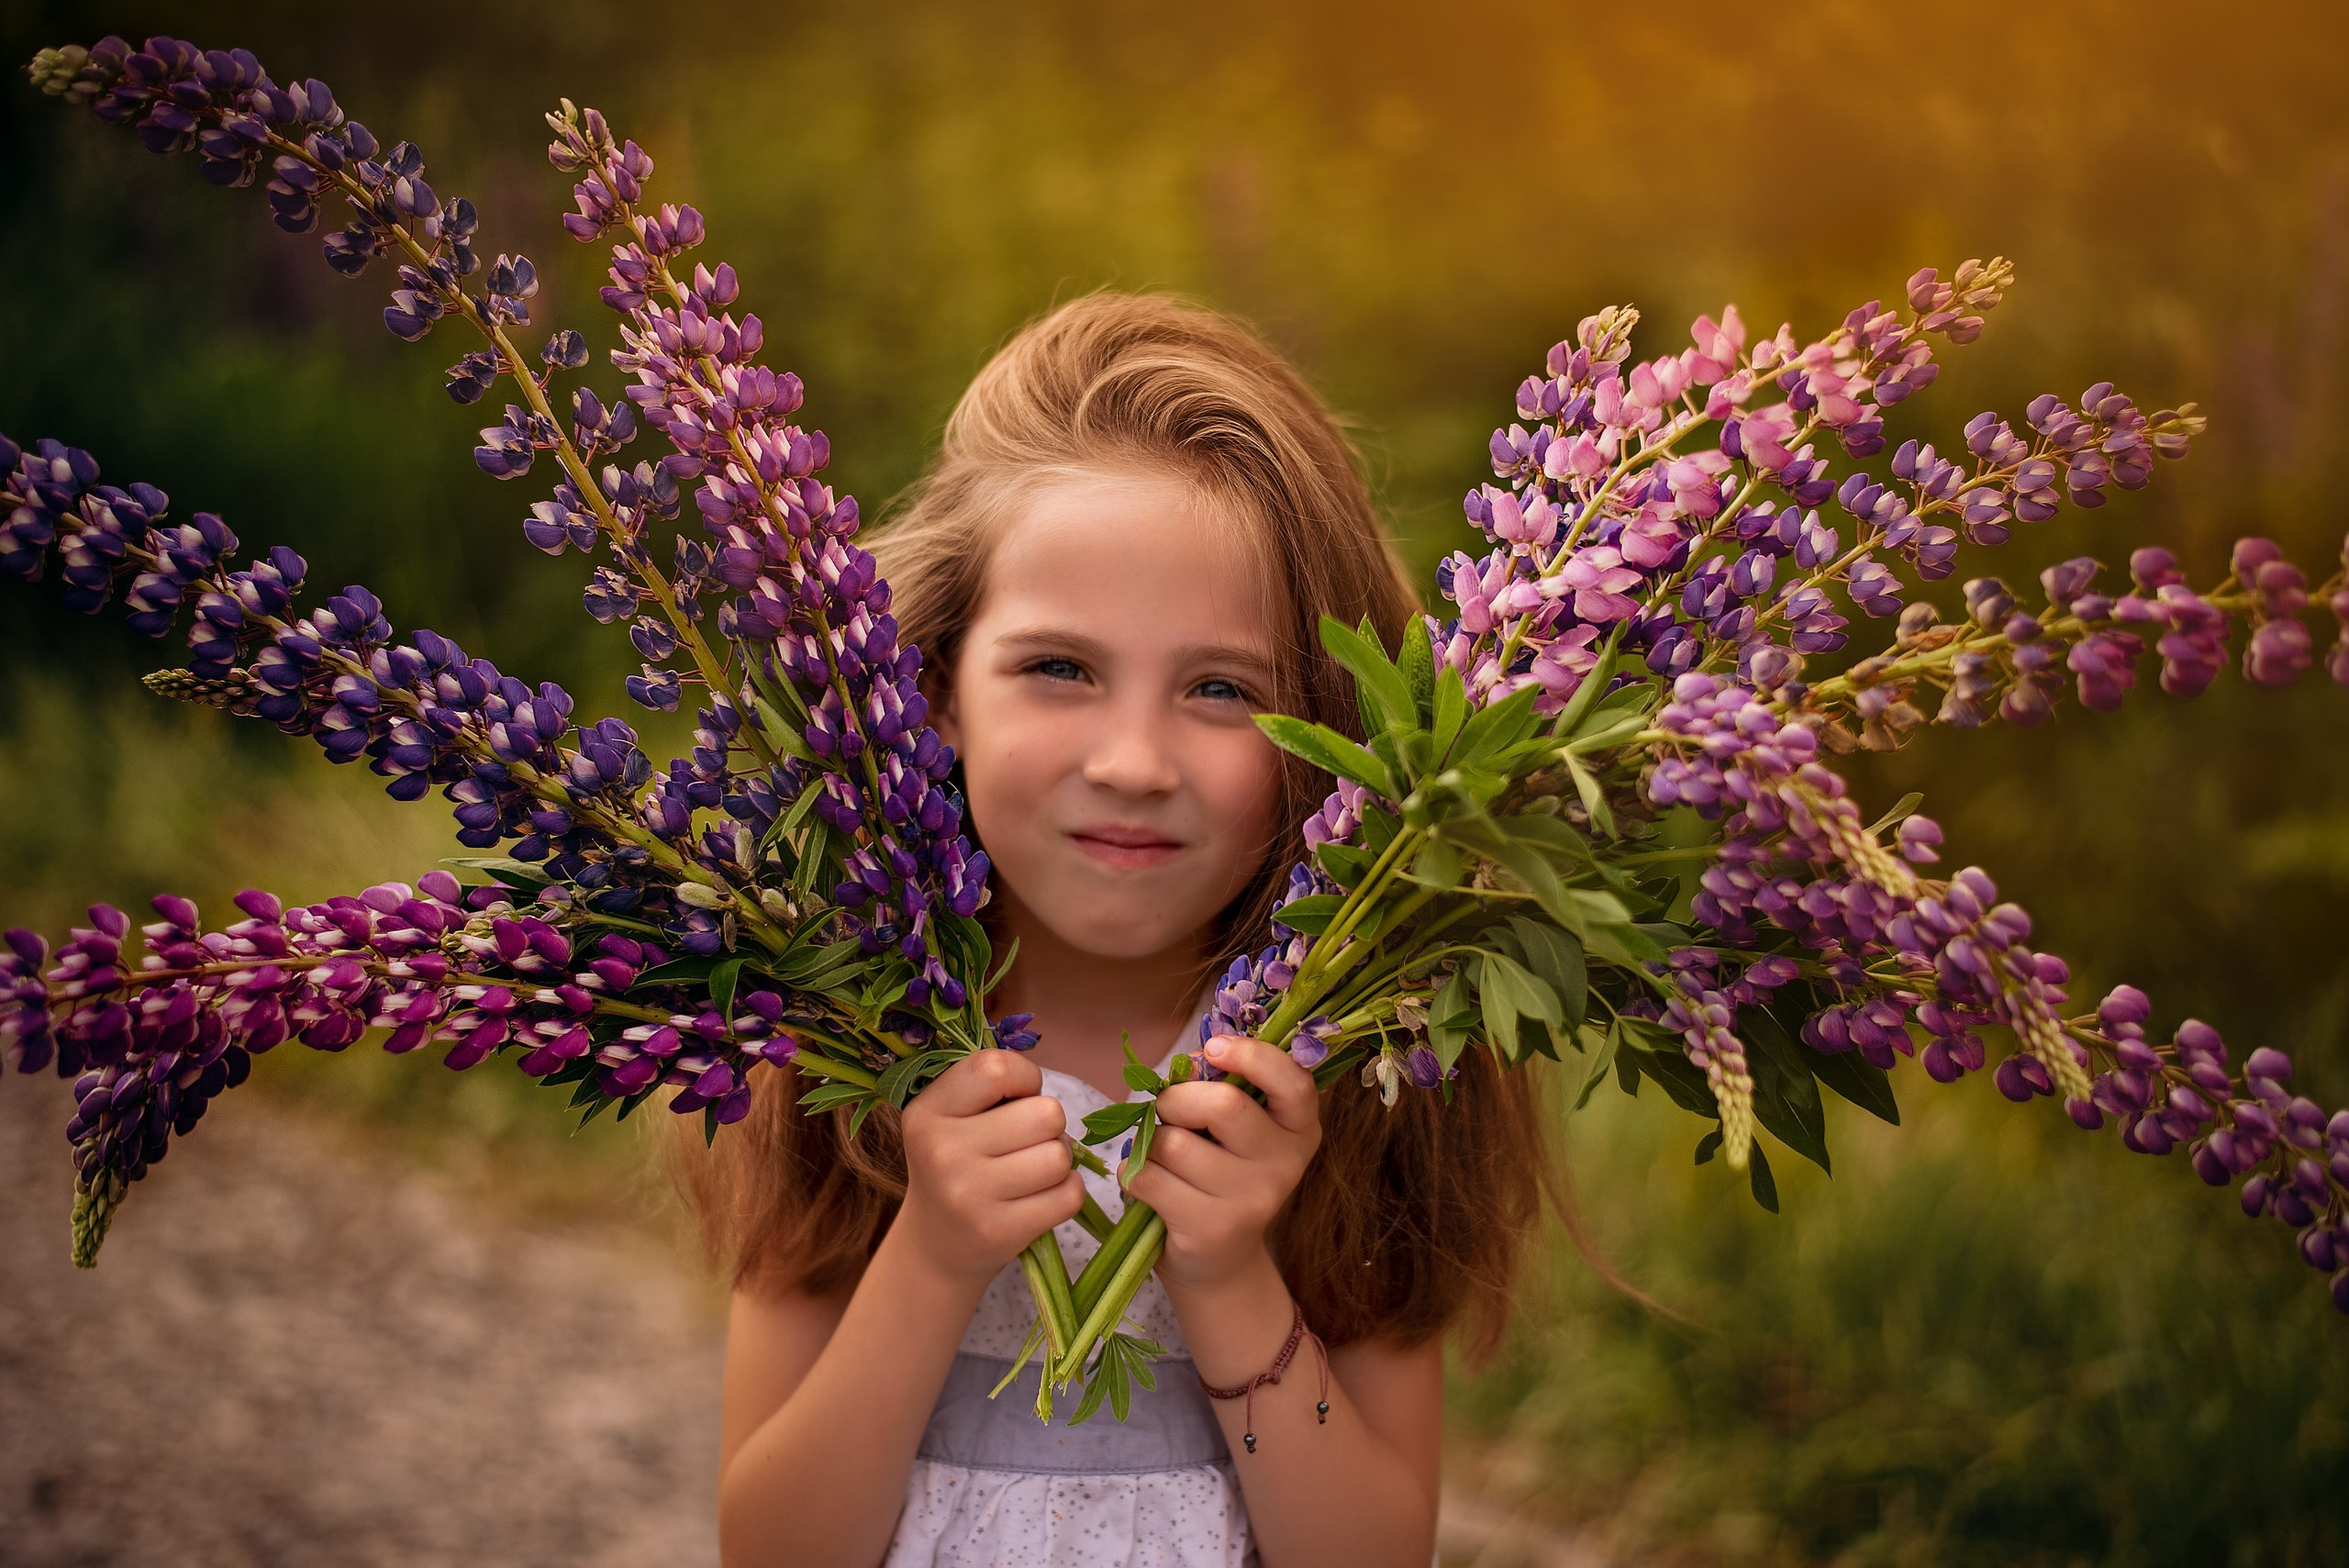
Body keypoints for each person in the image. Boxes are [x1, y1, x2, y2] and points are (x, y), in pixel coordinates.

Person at [677, 294, 1552, 1567]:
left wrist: (1230, 1269)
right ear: (932, 690)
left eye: (1220, 688)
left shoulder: (1364, 1053)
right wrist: (928, 1256)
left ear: (1332, 732)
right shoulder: (850, 1022)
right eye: (1060, 668)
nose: (1135, 761)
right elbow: (771, 1550)